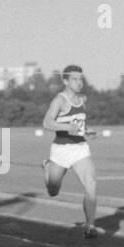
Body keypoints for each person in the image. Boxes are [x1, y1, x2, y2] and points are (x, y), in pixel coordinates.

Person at [42, 64, 100, 237]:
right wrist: (67, 127)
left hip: (80, 148)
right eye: (74, 79)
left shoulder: (83, 99)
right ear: (65, 81)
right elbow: (47, 123)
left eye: (80, 78)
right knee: (53, 190)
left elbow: (79, 124)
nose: (78, 82)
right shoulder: (59, 100)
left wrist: (85, 131)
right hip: (61, 151)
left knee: (91, 183)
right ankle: (47, 167)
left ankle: (90, 226)